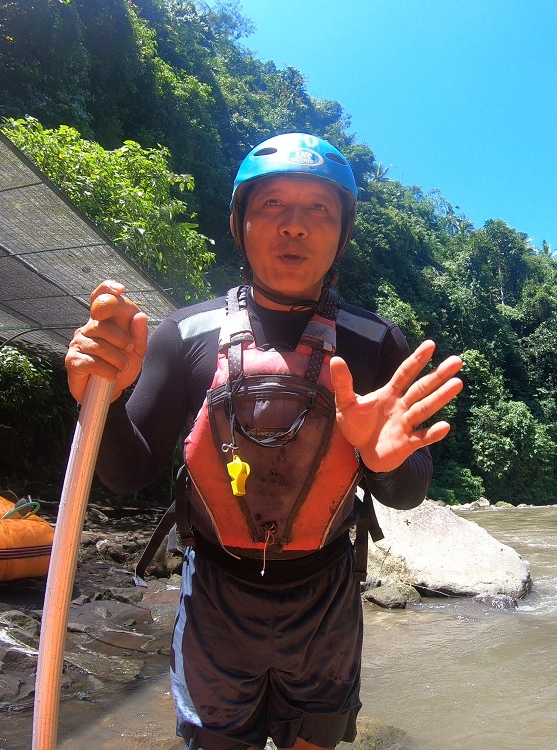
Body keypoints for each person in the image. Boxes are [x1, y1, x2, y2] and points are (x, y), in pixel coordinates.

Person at [65, 132, 464, 750]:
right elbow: (127, 473)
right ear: (240, 224)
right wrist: (107, 402)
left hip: (325, 598)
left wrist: (388, 463)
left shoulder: (374, 345)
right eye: (273, 205)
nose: (295, 226)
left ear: (341, 235)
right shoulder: (184, 336)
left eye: (318, 210)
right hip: (216, 599)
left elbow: (407, 494)